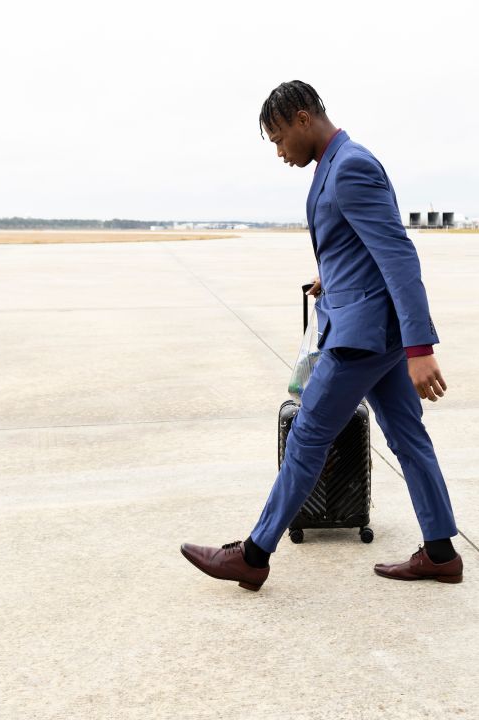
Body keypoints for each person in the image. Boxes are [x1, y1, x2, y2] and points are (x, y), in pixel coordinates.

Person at [180, 80, 462, 591]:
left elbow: (398, 255)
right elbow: (361, 246)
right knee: (407, 436)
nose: (281, 152)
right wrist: (329, 277)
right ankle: (440, 552)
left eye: (279, 138)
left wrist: (421, 349)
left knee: (309, 436)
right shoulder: (334, 165)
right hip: (375, 330)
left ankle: (254, 553)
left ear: (303, 118)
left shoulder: (351, 165)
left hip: (361, 338)